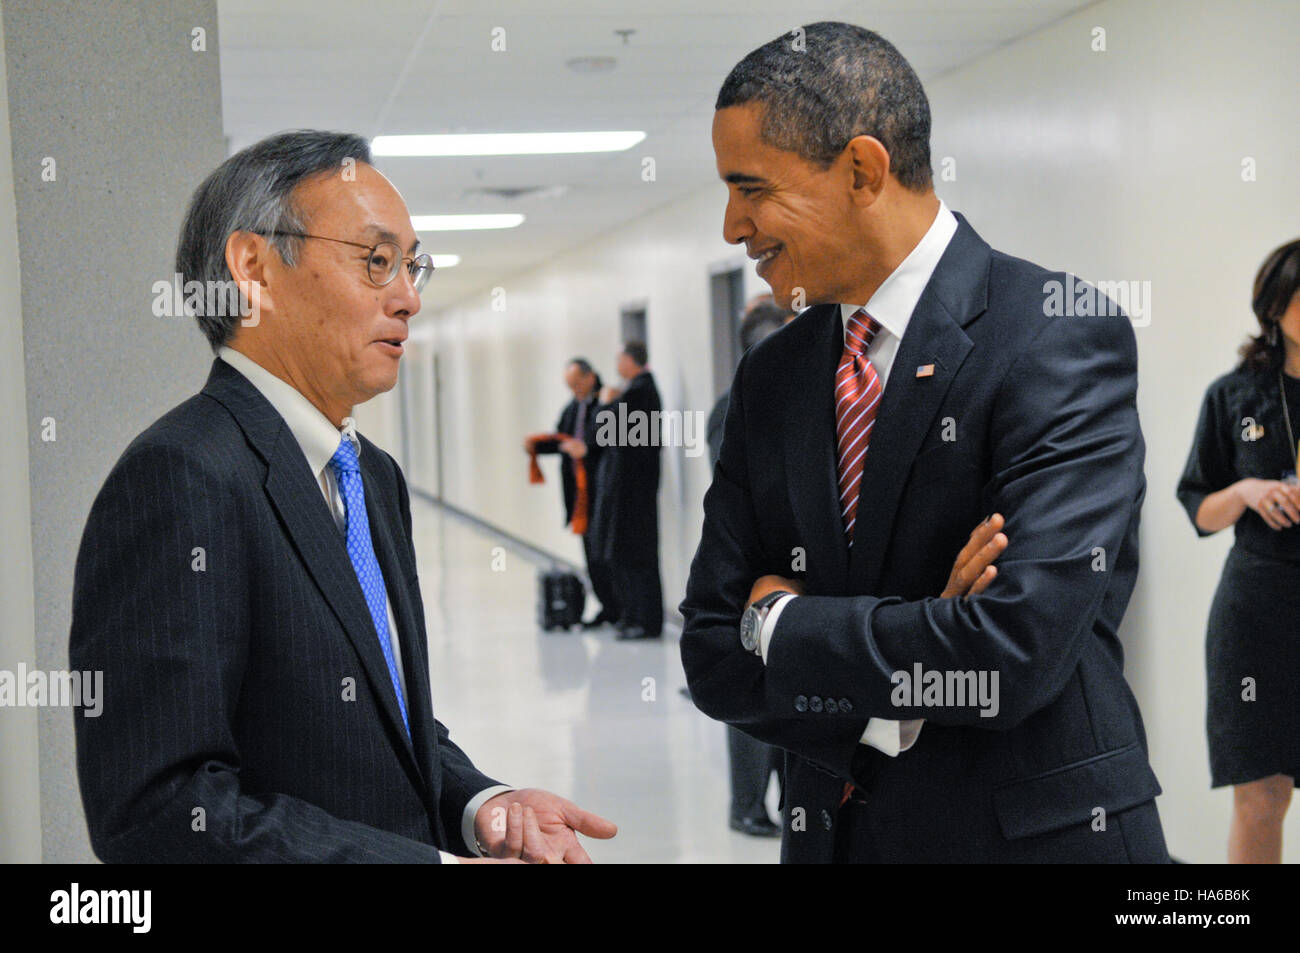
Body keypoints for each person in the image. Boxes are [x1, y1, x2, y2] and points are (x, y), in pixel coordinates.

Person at [680, 22, 1168, 863]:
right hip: (837, 835)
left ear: (862, 170)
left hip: (1028, 841)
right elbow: (711, 650)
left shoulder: (1053, 335)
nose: (732, 226)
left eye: (750, 187)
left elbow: (1012, 651)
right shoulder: (775, 377)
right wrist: (925, 631)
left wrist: (782, 621)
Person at [68, 129, 616, 863]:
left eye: (413, 266)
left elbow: (384, 724)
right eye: (376, 260)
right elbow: (160, 812)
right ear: (253, 266)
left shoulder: (372, 476)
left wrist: (482, 805)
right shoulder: (183, 475)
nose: (411, 297)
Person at [1176, 238, 1300, 864]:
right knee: (1262, 794)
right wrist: (1250, 491)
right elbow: (1198, 506)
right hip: (1259, 611)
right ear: (1274, 308)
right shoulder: (1235, 396)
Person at [708, 302, 792, 837]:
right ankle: (746, 805)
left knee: (790, 692)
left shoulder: (787, 399)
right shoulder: (737, 407)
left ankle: (787, 801)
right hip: (757, 576)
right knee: (755, 698)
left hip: (790, 576)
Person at [527, 357, 620, 628]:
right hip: (579, 495)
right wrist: (536, 446)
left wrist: (586, 447)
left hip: (600, 490)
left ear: (590, 377)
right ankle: (608, 608)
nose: (575, 389)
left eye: (577, 383)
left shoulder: (606, 403)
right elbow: (561, 439)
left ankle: (619, 608)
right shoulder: (574, 407)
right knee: (592, 557)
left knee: (606, 554)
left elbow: (603, 440)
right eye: (570, 385)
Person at [586, 341, 664, 640]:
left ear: (631, 361)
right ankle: (635, 617)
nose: (616, 365)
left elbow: (601, 430)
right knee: (628, 556)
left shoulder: (639, 392)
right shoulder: (635, 391)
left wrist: (606, 402)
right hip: (633, 491)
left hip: (634, 492)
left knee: (636, 557)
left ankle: (644, 621)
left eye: (620, 359)